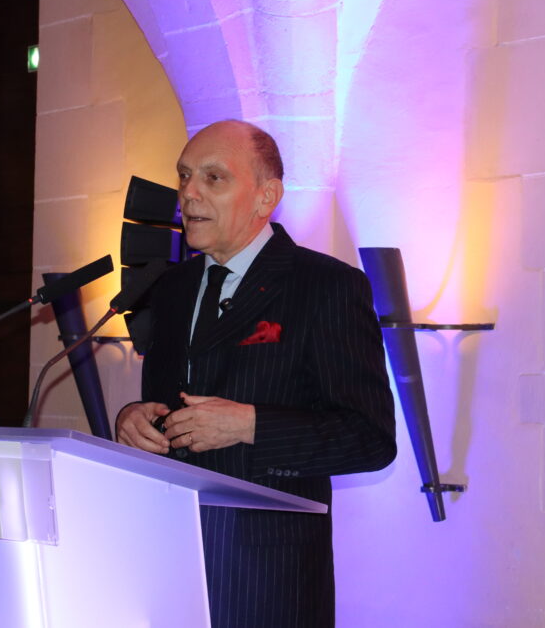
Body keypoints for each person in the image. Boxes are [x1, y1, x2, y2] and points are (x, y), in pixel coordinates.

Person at [116, 120, 396, 627]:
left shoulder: (325, 287)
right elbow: (169, 408)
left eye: (213, 177)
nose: (189, 193)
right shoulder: (171, 288)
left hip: (268, 585)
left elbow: (370, 439)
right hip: (168, 567)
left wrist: (250, 425)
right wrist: (135, 419)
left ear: (267, 196)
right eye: (184, 175)